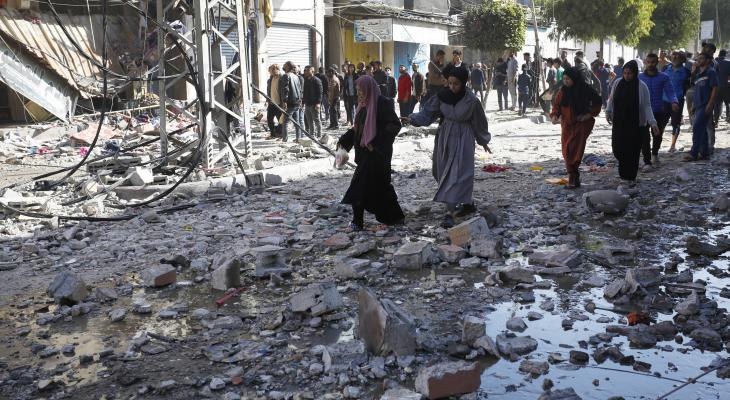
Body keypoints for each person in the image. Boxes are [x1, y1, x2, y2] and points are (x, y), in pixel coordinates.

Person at [403, 65, 492, 227]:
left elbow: (479, 122)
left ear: (463, 83)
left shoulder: (472, 100)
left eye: (456, 84)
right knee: (441, 170)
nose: (452, 87)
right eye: (450, 83)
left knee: (459, 173)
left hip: (464, 138)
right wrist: (412, 119)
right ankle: (467, 203)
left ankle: (450, 213)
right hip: (445, 137)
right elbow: (427, 113)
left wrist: (483, 140)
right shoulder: (441, 97)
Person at [336, 75, 404, 231]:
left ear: (368, 89)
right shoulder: (363, 105)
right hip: (364, 154)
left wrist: (376, 143)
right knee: (378, 188)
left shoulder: (382, 103)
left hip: (377, 155)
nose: (359, 93)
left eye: (361, 90)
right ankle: (395, 217)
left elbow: (394, 125)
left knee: (359, 187)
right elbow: (357, 129)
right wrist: (344, 142)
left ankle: (357, 222)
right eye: (358, 90)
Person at [606, 60, 659, 183]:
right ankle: (624, 174)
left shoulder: (641, 86)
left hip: (635, 124)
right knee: (618, 149)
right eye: (625, 73)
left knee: (632, 150)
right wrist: (608, 110)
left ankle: (629, 176)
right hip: (619, 122)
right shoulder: (618, 83)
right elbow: (612, 98)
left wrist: (653, 122)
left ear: (635, 73)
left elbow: (647, 106)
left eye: (629, 73)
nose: (627, 76)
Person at [549, 67, 602, 188]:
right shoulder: (563, 91)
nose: (565, 81)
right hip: (567, 125)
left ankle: (573, 175)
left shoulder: (585, 89)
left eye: (568, 79)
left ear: (574, 78)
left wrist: (588, 115)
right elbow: (556, 106)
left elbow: (598, 102)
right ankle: (572, 174)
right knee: (566, 149)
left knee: (575, 149)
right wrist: (555, 116)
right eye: (564, 79)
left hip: (581, 124)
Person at [638, 53, 679, 167]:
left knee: (657, 134)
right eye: (648, 62)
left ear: (657, 62)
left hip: (658, 110)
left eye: (653, 62)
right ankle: (646, 160)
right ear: (645, 62)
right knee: (644, 136)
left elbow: (670, 91)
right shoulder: (639, 77)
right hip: (643, 112)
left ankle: (655, 153)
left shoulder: (664, 77)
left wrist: (674, 102)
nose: (650, 64)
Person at [685, 52, 719, 161]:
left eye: (701, 58)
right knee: (702, 129)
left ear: (708, 60)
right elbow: (696, 89)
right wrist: (693, 105)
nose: (698, 60)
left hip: (706, 105)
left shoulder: (711, 72)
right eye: (698, 59)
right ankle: (704, 152)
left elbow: (715, 88)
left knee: (696, 127)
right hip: (698, 105)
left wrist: (710, 103)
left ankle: (694, 153)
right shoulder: (698, 74)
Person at [664, 52, 692, 152]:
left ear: (683, 59)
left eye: (678, 57)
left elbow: (689, 87)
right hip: (664, 100)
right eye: (673, 56)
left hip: (678, 100)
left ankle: (673, 145)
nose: (675, 58)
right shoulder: (665, 69)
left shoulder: (687, 72)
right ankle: (657, 143)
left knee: (676, 123)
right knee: (660, 123)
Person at [279, 61, 304, 142]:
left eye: (284, 65)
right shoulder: (296, 76)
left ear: (287, 66)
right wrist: (300, 100)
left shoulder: (286, 76)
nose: (283, 66)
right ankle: (298, 138)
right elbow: (300, 90)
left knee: (285, 121)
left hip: (290, 102)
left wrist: (284, 101)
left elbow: (285, 89)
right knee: (297, 122)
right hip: (296, 102)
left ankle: (285, 139)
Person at [302, 65, 323, 138]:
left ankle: (319, 135)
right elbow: (304, 92)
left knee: (317, 120)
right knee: (309, 121)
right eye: (305, 70)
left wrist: (318, 103)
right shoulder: (306, 80)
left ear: (312, 71)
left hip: (314, 104)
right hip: (307, 104)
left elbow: (320, 93)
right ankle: (312, 135)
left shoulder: (317, 80)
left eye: (308, 70)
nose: (306, 72)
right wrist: (303, 102)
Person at [265, 63, 283, 139]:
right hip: (271, 103)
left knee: (280, 120)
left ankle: (280, 133)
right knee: (269, 119)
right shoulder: (270, 80)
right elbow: (268, 91)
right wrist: (267, 100)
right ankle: (273, 134)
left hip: (280, 103)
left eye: (272, 70)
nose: (270, 72)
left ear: (277, 69)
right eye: (270, 71)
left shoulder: (282, 78)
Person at [714, 49, 730, 125]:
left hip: (716, 86)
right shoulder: (728, 62)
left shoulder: (714, 62)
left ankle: (716, 121)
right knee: (727, 103)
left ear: (719, 54)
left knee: (717, 104)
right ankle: (728, 117)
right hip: (726, 86)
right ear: (725, 54)